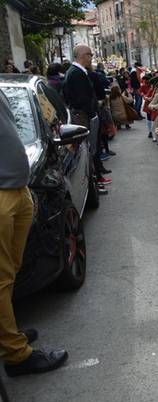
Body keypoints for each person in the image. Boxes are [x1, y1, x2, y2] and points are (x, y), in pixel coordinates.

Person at [0, 89, 69, 377]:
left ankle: (8, 334)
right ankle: (16, 355)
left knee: (10, 272)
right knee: (1, 278)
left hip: (16, 188)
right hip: (3, 195)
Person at [63, 45, 108, 187]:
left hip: (83, 115)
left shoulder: (75, 71)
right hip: (84, 117)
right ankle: (93, 183)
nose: (91, 58)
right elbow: (83, 99)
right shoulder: (77, 73)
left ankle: (94, 181)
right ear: (83, 56)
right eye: (90, 55)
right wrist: (92, 113)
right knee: (88, 151)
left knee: (89, 151)